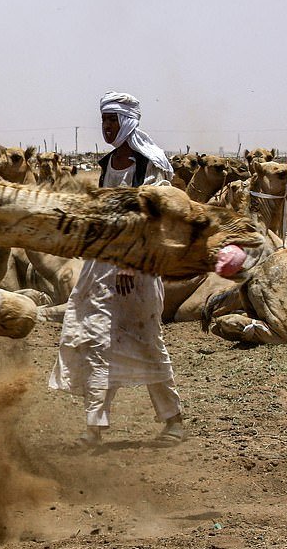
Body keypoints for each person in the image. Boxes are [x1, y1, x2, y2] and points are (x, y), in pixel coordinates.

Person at [48, 91, 185, 448]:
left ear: (128, 122)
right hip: (103, 267)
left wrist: (129, 261)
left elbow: (152, 217)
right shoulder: (108, 164)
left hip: (136, 267)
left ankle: (173, 420)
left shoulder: (149, 166)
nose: (107, 127)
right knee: (97, 339)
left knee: (145, 338)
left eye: (113, 120)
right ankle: (94, 427)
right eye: (104, 120)